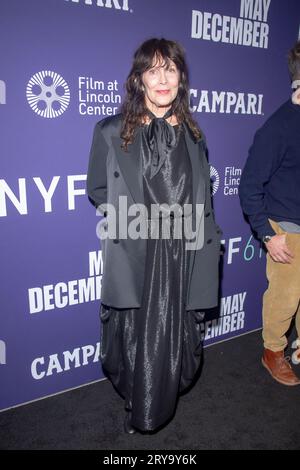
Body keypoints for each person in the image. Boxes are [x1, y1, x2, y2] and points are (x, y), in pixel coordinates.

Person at [87, 38, 221, 434]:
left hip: (183, 255)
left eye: (171, 69)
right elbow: (98, 189)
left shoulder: (195, 137)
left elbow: (202, 199)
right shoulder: (111, 132)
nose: (162, 79)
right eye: (153, 70)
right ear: (139, 80)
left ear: (181, 78)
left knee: (177, 340)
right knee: (131, 342)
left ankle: (156, 405)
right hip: (136, 254)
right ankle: (142, 407)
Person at [239, 40, 300, 386]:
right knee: (285, 297)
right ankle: (272, 351)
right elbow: (248, 186)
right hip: (287, 226)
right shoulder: (278, 128)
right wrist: (268, 233)